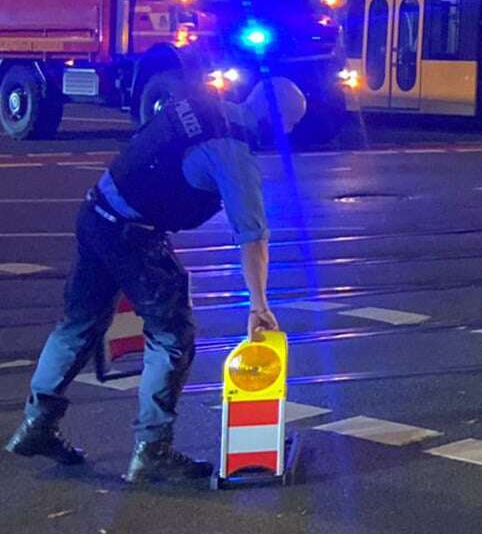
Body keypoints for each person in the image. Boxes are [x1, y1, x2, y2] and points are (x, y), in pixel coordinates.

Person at [5, 79, 307, 484]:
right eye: (288, 125)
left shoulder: (201, 105)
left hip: (95, 211)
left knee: (79, 324)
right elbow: (252, 237)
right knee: (172, 335)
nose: (286, 134)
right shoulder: (234, 153)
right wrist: (259, 304)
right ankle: (153, 451)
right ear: (275, 121)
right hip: (132, 235)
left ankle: (36, 424)